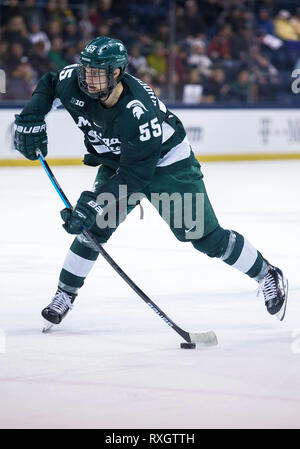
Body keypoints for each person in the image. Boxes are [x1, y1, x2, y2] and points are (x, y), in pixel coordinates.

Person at [14, 36, 288, 328]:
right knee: (93, 227)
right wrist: (31, 117)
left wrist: (96, 201)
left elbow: (135, 176)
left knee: (204, 237)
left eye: (97, 72)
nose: (88, 78)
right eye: (86, 69)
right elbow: (50, 82)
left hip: (167, 164)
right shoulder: (74, 80)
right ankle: (64, 295)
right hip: (118, 160)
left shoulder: (138, 112)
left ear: (116, 73)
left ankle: (266, 273)